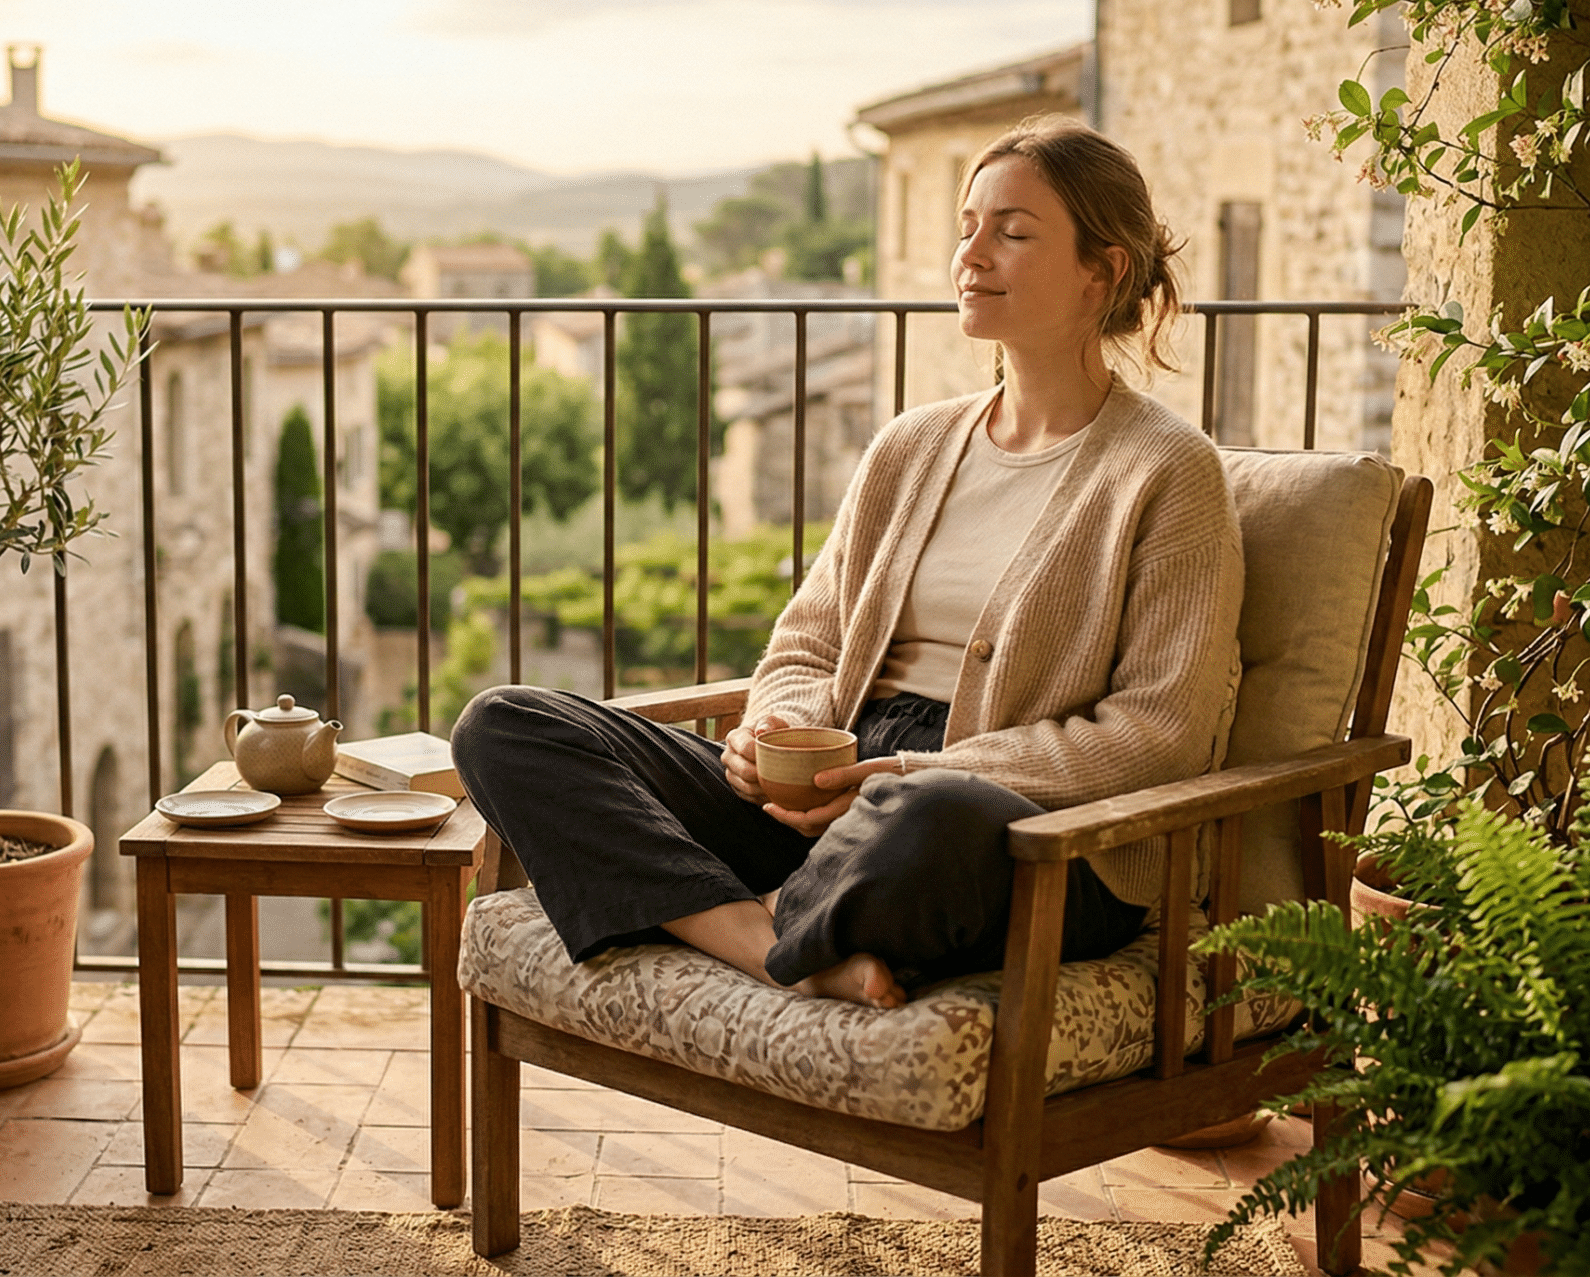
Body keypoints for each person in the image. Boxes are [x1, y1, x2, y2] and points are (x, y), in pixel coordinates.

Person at [453, 117, 1243, 1008]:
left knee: (931, 819)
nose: (971, 255)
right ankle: (768, 942)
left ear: (1103, 271)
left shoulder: (1167, 472)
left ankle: (734, 909)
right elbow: (808, 644)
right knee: (505, 725)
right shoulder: (911, 446)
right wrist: (779, 735)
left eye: (1013, 233)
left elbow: (1157, 732)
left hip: (1017, 827)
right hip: (835, 787)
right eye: (967, 228)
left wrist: (921, 773)